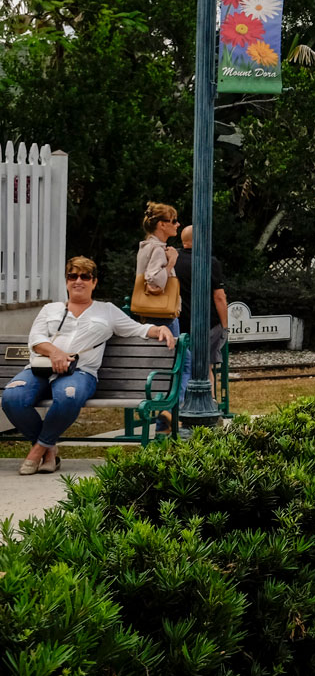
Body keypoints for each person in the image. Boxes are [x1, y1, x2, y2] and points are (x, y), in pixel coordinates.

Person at [4, 257, 175, 474]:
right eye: (72, 276)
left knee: (68, 397)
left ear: (94, 282)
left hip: (80, 373)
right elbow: (36, 339)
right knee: (12, 398)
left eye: (85, 277)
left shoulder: (107, 311)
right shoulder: (50, 309)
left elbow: (138, 329)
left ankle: (37, 450)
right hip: (40, 369)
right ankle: (50, 450)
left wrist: (160, 329)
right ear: (66, 281)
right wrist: (55, 353)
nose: (78, 281)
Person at [172, 224, 228, 408]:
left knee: (182, 365)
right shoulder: (209, 262)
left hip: (179, 322)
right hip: (207, 323)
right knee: (206, 365)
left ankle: (181, 402)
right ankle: (208, 402)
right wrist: (225, 326)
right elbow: (219, 296)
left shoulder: (173, 260)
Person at [134, 201, 180, 327]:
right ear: (162, 225)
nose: (178, 224)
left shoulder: (146, 246)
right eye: (174, 221)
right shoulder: (158, 249)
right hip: (163, 315)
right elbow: (153, 280)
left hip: (150, 312)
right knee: (178, 346)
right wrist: (171, 262)